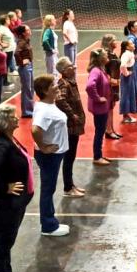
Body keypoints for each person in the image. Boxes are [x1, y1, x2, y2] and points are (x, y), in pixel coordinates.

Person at [0, 103, 34, 272]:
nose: (17, 118)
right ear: (4, 122)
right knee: (2, 245)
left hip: (15, 205)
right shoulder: (3, 145)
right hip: (6, 206)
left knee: (6, 244)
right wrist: (5, 187)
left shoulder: (10, 139)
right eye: (13, 116)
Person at [31, 74, 70, 237]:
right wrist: (44, 147)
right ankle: (48, 225)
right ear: (45, 91)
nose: (57, 86)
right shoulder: (44, 111)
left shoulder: (47, 105)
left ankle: (50, 221)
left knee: (49, 187)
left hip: (54, 154)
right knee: (48, 189)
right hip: (49, 156)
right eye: (53, 85)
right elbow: (35, 130)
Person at [55, 57, 87, 198]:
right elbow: (60, 99)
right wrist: (72, 114)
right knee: (69, 157)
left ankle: (71, 184)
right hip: (70, 127)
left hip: (74, 125)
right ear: (63, 71)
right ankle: (68, 187)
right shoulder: (64, 84)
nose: (73, 68)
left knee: (71, 157)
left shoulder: (70, 82)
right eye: (70, 67)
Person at [86, 48, 113, 166]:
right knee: (99, 132)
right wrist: (98, 98)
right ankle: (97, 157)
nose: (108, 57)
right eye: (106, 55)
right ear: (101, 59)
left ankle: (99, 154)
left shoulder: (100, 69)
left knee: (101, 131)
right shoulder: (96, 71)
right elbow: (89, 86)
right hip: (99, 108)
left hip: (102, 107)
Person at [101, 35, 123, 138]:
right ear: (109, 42)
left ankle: (111, 129)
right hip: (109, 84)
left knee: (111, 106)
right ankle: (108, 130)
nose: (116, 42)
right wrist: (111, 80)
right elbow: (103, 70)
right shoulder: (106, 55)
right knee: (109, 108)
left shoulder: (112, 54)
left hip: (115, 84)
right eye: (114, 40)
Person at [15, 25, 36, 118]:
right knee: (27, 89)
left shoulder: (26, 40)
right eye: (28, 30)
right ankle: (27, 111)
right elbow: (16, 53)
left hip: (29, 65)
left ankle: (29, 109)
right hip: (25, 67)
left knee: (30, 88)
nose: (30, 30)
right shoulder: (22, 42)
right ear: (23, 33)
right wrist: (22, 62)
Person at [118, 39, 137, 124]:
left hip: (130, 76)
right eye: (131, 44)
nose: (133, 44)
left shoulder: (130, 53)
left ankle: (127, 115)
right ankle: (125, 116)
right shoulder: (126, 54)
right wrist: (126, 73)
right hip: (127, 78)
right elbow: (123, 65)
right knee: (126, 95)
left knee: (129, 94)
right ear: (127, 47)